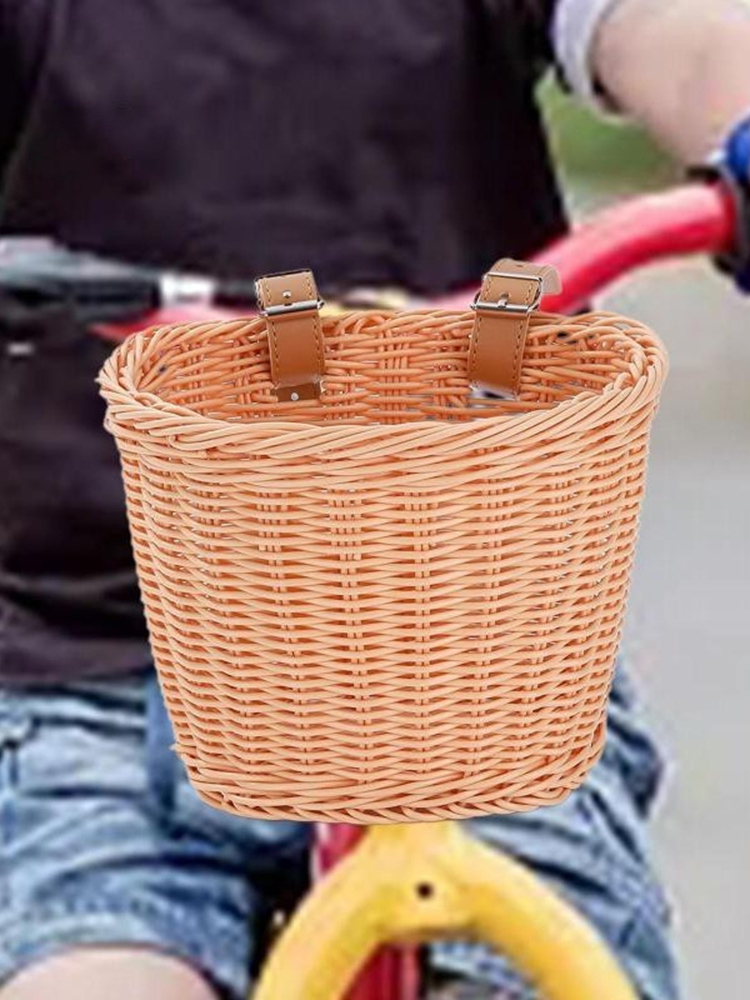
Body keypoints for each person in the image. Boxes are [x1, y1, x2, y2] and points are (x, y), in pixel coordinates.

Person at [0, 1, 749, 997]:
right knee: (94, 979)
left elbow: (678, 34)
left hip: (477, 677)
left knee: (539, 959)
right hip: (98, 674)